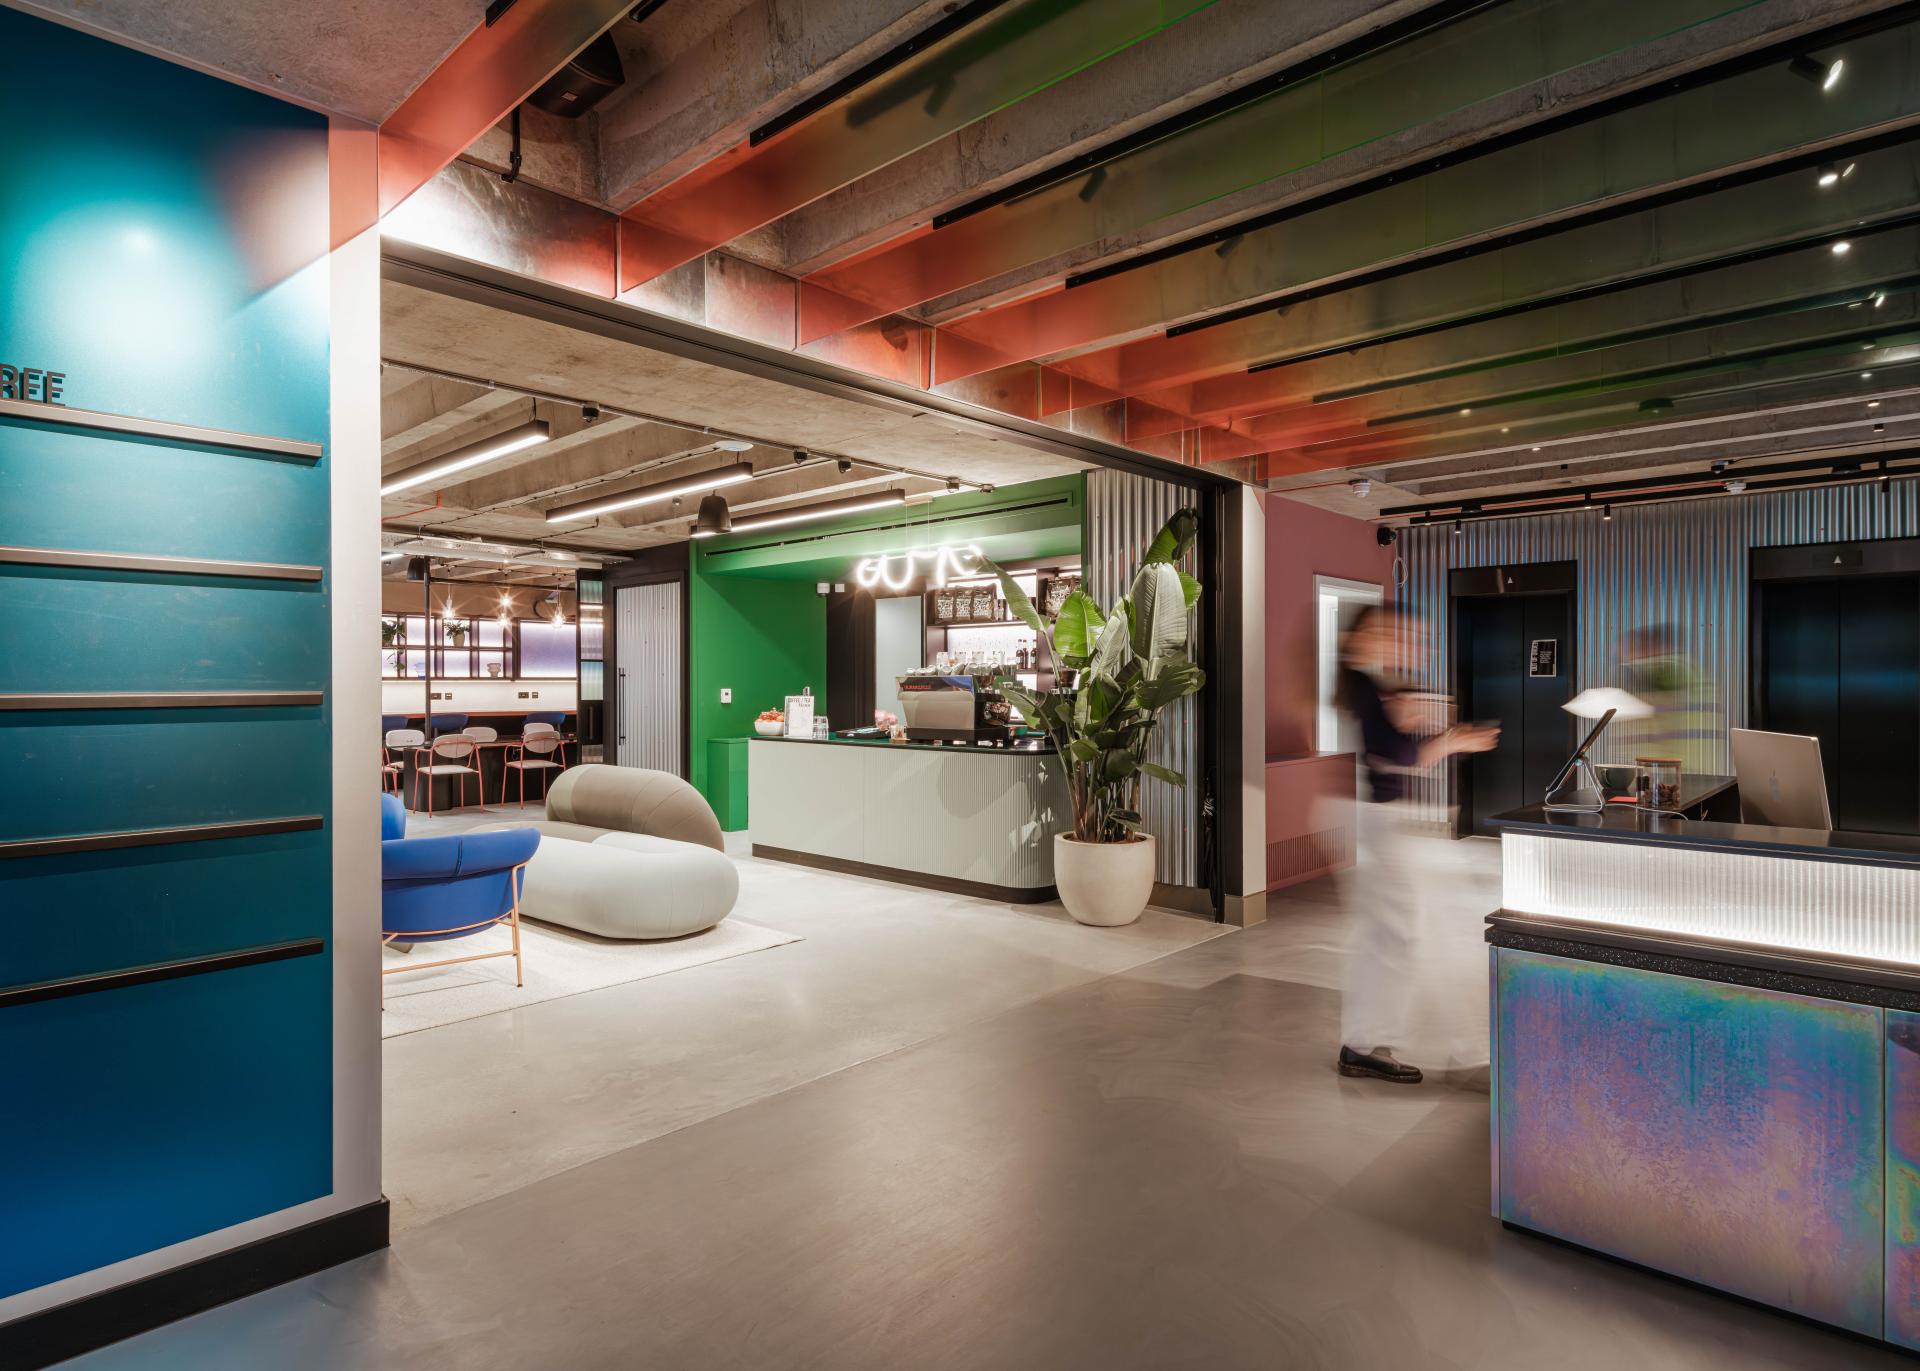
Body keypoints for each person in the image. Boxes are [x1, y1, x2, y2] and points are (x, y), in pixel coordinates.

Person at [1335, 606, 1499, 1084]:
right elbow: (1400, 755)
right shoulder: (1363, 686)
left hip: (1390, 824)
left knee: (1401, 933)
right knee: (1399, 935)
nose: (1407, 644)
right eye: (1397, 634)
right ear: (1364, 637)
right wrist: (1451, 740)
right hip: (1382, 827)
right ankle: (1370, 1045)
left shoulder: (1373, 686)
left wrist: (1440, 734)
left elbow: (1406, 755)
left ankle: (1372, 1043)